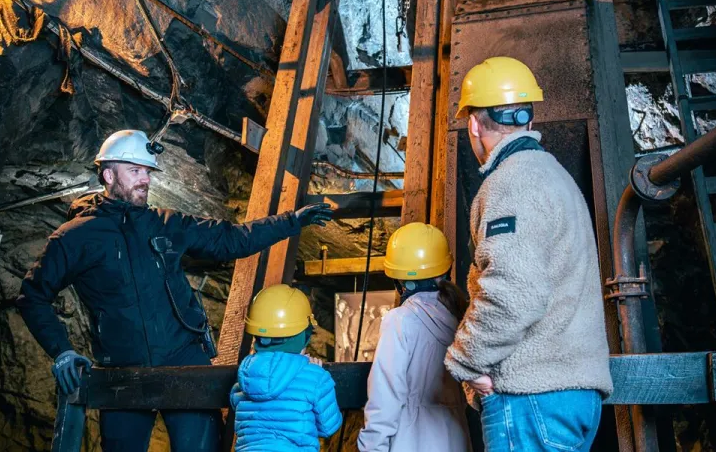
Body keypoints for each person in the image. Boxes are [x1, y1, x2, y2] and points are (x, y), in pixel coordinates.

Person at [17, 129, 334, 452]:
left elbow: (232, 239)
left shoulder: (165, 223)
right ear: (109, 175)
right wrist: (62, 351)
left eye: (147, 172)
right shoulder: (74, 238)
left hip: (184, 358)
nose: (145, 180)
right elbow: (32, 297)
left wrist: (292, 222)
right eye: (135, 171)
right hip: (122, 370)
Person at [444, 57, 613, 452]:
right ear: (529, 119)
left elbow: (513, 292)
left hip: (532, 397)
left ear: (473, 125)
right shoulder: (555, 176)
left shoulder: (511, 182)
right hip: (572, 395)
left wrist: (466, 362)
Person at [358, 222, 472, 452]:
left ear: (399, 280)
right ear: (445, 270)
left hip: (410, 442)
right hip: (457, 440)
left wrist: (372, 447)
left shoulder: (400, 320)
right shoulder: (463, 319)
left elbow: (385, 395)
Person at [230, 284, 342, 451]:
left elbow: (239, 411)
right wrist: (316, 373)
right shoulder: (316, 378)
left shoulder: (244, 377)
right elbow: (328, 427)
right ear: (304, 335)